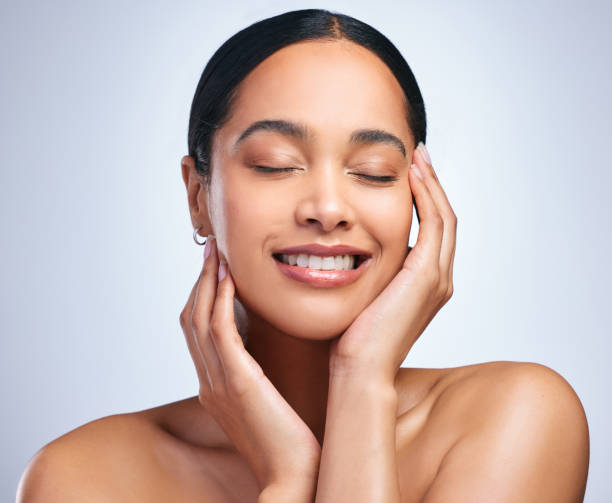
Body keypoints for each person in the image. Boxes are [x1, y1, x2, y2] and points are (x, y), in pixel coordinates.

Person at [17, 8, 589, 503]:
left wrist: (362, 379)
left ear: (419, 200)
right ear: (198, 196)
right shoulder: (83, 478)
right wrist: (288, 480)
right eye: (274, 163)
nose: (328, 207)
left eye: (374, 172)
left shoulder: (514, 419)